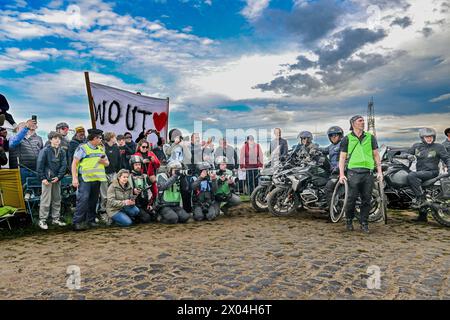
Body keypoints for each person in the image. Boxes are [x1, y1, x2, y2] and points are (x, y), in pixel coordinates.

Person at [338, 115, 383, 234]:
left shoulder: (370, 137)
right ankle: (349, 221)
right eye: (360, 121)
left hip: (368, 172)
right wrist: (341, 174)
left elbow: (376, 155)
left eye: (363, 121)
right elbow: (342, 158)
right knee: (351, 199)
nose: (363, 122)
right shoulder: (346, 139)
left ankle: (364, 223)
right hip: (353, 172)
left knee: (366, 200)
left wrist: (379, 171)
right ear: (353, 123)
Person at [401, 128, 450, 221]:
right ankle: (422, 217)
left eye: (431, 137)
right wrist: (408, 156)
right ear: (422, 138)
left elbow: (447, 158)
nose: (429, 139)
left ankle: (420, 199)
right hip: (421, 172)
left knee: (412, 175)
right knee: (419, 187)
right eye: (427, 137)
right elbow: (405, 153)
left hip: (432, 172)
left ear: (434, 137)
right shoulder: (416, 146)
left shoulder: (438, 147)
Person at [71, 128, 109, 231]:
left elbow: (107, 163)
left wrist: (102, 162)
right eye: (100, 138)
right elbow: (74, 163)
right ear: (94, 138)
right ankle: (77, 222)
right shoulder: (82, 148)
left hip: (97, 179)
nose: (101, 140)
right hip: (85, 179)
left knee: (93, 200)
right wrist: (74, 178)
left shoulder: (101, 148)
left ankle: (90, 220)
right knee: (83, 200)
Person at [36, 131, 67, 229]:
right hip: (47, 179)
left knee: (57, 199)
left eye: (59, 138)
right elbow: (40, 165)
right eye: (55, 138)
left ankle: (55, 219)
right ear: (50, 140)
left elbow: (64, 165)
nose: (57, 140)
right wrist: (43, 178)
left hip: (57, 179)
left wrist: (59, 177)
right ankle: (42, 220)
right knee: (45, 200)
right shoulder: (45, 150)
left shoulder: (62, 151)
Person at [8, 119, 43, 185]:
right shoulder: (13, 138)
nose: (26, 128)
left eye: (27, 127)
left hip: (35, 170)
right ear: (17, 129)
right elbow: (14, 142)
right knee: (23, 191)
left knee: (34, 191)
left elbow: (41, 153)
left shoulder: (37, 138)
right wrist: (26, 128)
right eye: (23, 127)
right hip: (21, 170)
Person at [320, 126, 344, 211]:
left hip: (339, 171)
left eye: (335, 135)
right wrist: (315, 148)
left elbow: (346, 158)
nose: (333, 137)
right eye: (331, 135)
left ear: (340, 136)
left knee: (328, 189)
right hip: (333, 171)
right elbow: (323, 150)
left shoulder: (342, 144)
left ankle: (333, 210)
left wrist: (338, 168)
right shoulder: (331, 146)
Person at [99, 132, 121, 218]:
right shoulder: (103, 148)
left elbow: (119, 160)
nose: (115, 138)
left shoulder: (116, 148)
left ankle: (114, 210)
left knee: (114, 193)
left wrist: (118, 172)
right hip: (104, 173)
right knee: (104, 194)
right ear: (111, 138)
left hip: (113, 173)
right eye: (114, 137)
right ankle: (103, 211)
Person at [128, 155, 154, 223]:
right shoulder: (128, 177)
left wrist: (150, 204)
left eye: (139, 164)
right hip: (134, 204)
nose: (138, 166)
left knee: (154, 216)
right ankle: (132, 217)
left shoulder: (145, 176)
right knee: (146, 218)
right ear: (132, 166)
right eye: (136, 165)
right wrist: (133, 191)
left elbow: (150, 192)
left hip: (144, 204)